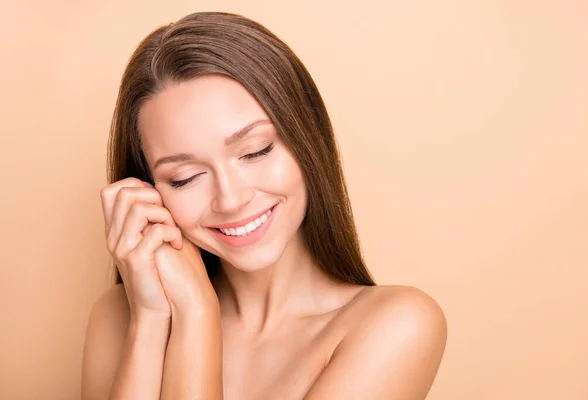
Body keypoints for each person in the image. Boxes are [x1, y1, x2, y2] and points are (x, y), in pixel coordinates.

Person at [81, 11, 447, 400]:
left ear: (307, 137)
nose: (231, 198)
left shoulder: (398, 324)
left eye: (256, 151)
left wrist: (197, 316)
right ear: (151, 192)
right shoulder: (121, 316)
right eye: (185, 177)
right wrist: (155, 320)